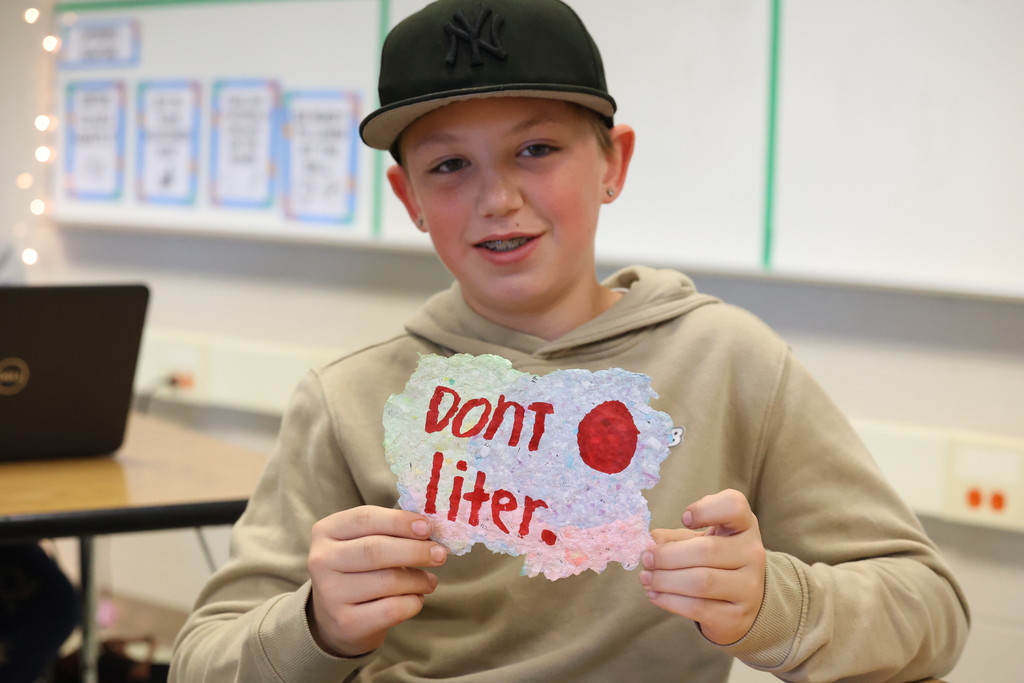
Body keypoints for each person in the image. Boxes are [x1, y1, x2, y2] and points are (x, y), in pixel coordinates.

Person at [171, 1, 969, 681]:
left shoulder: (730, 361)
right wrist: (317, 624)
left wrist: (771, 603)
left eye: (537, 149)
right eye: (450, 165)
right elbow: (201, 657)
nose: (498, 197)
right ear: (407, 196)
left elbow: (929, 607)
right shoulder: (349, 397)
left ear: (612, 164)